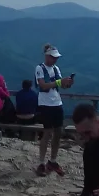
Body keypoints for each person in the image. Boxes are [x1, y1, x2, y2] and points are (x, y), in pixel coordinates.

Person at [35, 44, 74, 177]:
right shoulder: (39, 68)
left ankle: (53, 160)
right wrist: (59, 82)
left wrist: (67, 83)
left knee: (57, 133)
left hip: (57, 102)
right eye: (53, 57)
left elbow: (61, 86)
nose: (55, 60)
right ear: (47, 56)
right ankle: (41, 162)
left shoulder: (56, 68)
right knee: (47, 133)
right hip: (46, 104)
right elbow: (43, 85)